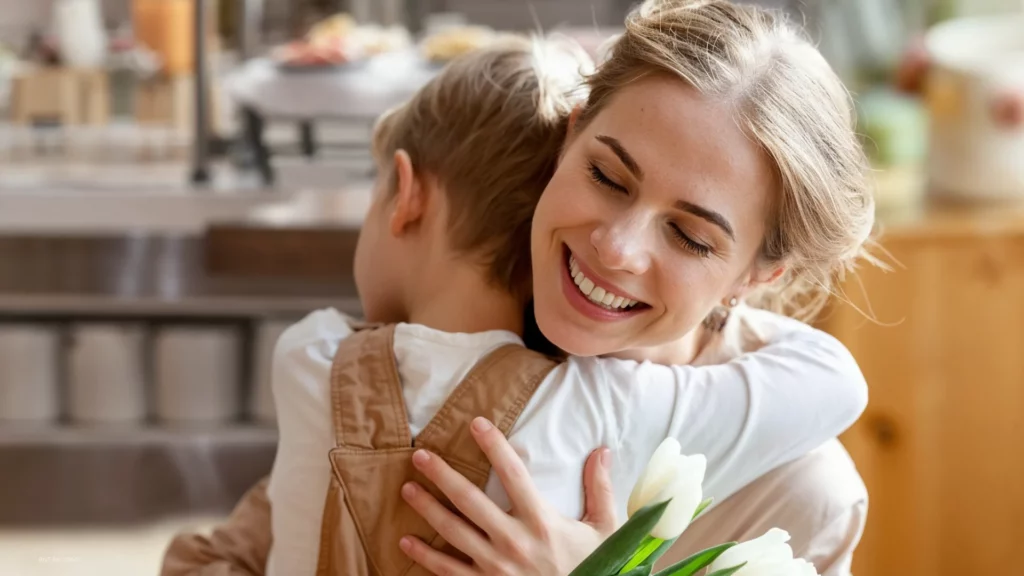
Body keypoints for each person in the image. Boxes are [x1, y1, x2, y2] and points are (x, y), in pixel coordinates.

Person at [162, 1, 875, 571]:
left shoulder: (798, 488)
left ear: (757, 273)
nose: (615, 249)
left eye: (690, 236)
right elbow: (239, 549)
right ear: (571, 137)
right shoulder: (478, 331)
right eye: (606, 176)